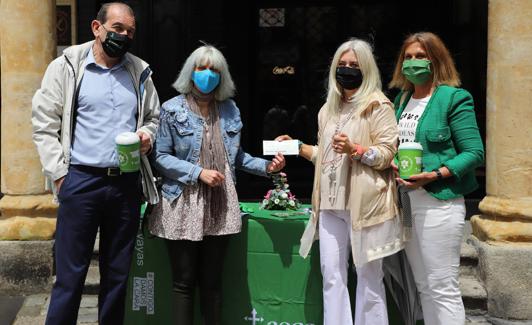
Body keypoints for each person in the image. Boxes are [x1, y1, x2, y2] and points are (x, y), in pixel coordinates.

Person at [31, 3, 160, 324]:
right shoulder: (67, 67)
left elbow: (153, 117)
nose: (124, 36)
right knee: (69, 277)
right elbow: (44, 122)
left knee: (117, 276)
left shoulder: (139, 71)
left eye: (130, 31)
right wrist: (60, 176)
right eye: (117, 28)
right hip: (80, 182)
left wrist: (146, 134)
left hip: (125, 185)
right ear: (96, 28)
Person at [148, 44, 285, 325]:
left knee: (212, 284)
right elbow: (160, 157)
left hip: (221, 204)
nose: (207, 74)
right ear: (191, 72)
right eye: (202, 68)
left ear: (222, 76)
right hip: (182, 203)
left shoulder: (229, 110)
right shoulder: (172, 109)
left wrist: (267, 167)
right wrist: (198, 172)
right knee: (183, 282)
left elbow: (236, 158)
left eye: (214, 70)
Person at [276, 38, 402, 325]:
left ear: (366, 70)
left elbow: (386, 153)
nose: (347, 70)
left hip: (365, 204)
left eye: (354, 65)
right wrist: (298, 147)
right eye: (342, 65)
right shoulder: (328, 109)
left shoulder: (378, 106)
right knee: (331, 275)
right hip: (330, 202)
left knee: (369, 278)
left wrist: (356, 150)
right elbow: (327, 155)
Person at [389, 32, 485, 325]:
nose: (413, 62)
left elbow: (474, 152)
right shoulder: (401, 99)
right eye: (408, 57)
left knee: (442, 287)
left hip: (439, 203)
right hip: (405, 203)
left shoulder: (453, 98)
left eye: (421, 56)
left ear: (436, 60)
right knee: (423, 286)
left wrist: (434, 174)